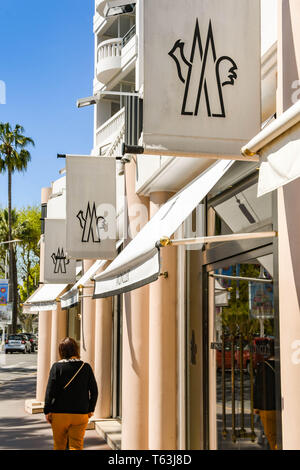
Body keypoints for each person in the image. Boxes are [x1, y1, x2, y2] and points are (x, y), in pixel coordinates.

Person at [44, 337, 98, 450]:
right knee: (76, 445)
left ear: (61, 351)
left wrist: (47, 410)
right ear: (76, 349)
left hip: (59, 413)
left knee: (59, 445)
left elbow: (50, 391)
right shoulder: (85, 367)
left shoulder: (56, 367)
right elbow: (94, 391)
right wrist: (90, 409)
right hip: (80, 413)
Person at [253, 339, 277, 450]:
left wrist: (256, 407)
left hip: (266, 407)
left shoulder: (263, 366)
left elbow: (258, 388)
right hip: (282, 407)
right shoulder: (285, 366)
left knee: (272, 437)